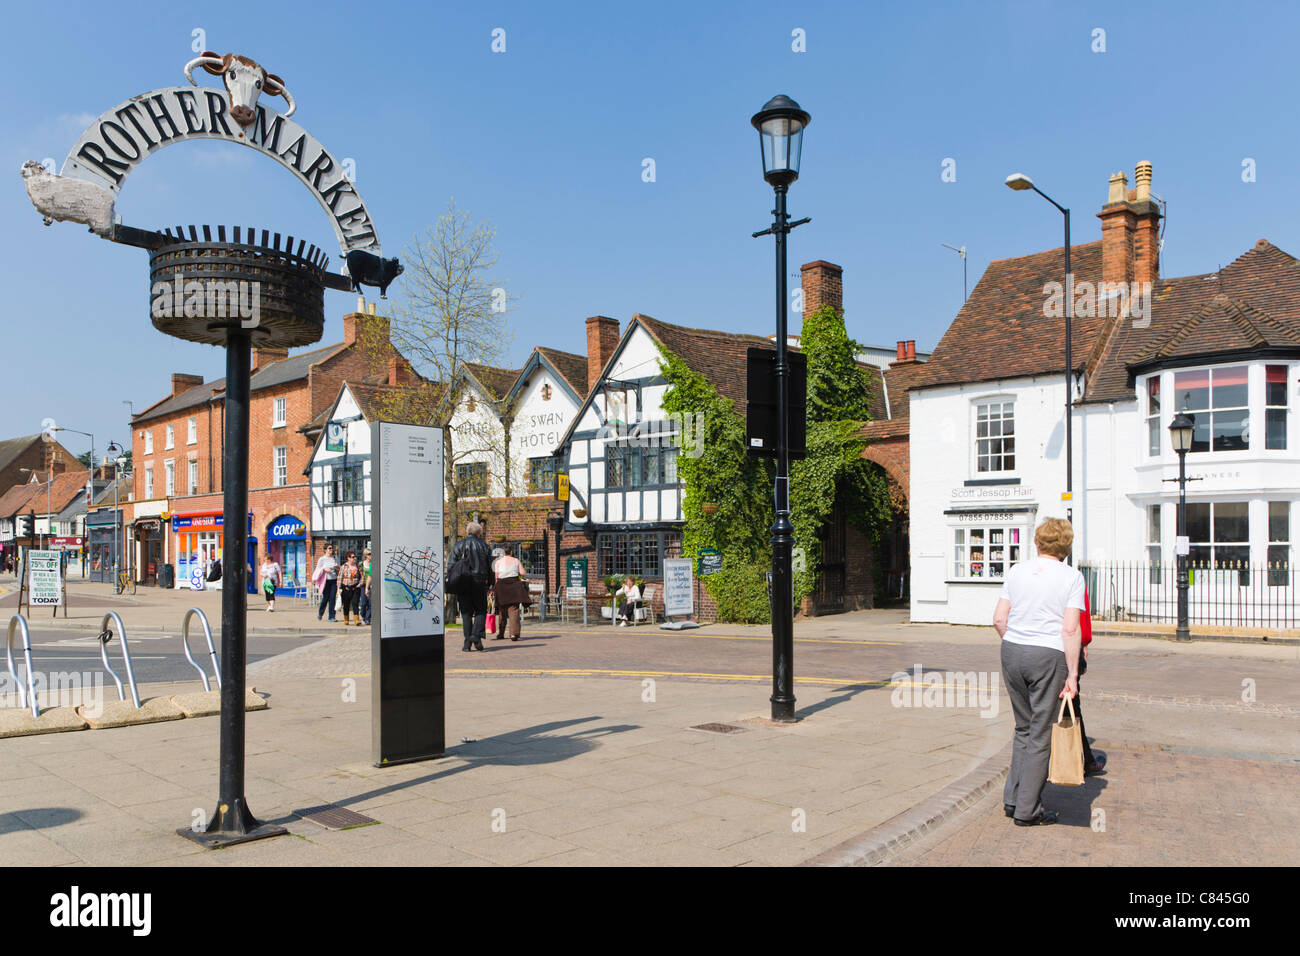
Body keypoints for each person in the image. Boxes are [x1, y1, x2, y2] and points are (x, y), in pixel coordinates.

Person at [992, 517, 1083, 827]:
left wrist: (1017, 644)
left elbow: (999, 619)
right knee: (1041, 733)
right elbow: (1070, 628)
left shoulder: (1017, 571)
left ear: (1037, 542)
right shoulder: (1072, 577)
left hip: (1012, 649)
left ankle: (1013, 797)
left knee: (1023, 727)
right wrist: (1072, 674)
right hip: (1048, 654)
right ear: (1066, 546)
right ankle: (1028, 810)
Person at [449, 522, 492, 652]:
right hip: (479, 581)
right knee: (481, 610)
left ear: (467, 532)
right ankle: (476, 635)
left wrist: (453, 580)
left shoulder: (458, 545)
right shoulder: (484, 546)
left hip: (463, 582)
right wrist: (490, 584)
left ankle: (467, 644)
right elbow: (490, 567)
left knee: (466, 612)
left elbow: (451, 564)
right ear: (479, 533)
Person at [492, 544, 529, 642]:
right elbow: (523, 573)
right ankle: (513, 634)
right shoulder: (516, 561)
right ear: (511, 552)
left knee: (501, 611)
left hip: (501, 587)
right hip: (513, 586)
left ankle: (501, 633)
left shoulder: (498, 562)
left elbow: (496, 577)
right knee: (514, 610)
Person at [313, 544, 340, 622]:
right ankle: (320, 613)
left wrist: (337, 566)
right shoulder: (322, 559)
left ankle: (331, 616)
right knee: (326, 598)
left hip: (334, 580)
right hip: (325, 581)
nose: (331, 550)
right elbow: (318, 569)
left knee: (332, 598)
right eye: (329, 548)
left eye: (332, 548)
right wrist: (325, 570)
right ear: (325, 550)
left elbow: (339, 569)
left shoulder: (335, 558)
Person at [339, 551, 362, 626]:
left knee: (355, 603)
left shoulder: (358, 566)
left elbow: (362, 577)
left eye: (355, 557)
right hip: (346, 587)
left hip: (355, 587)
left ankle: (356, 620)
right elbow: (339, 578)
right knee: (346, 604)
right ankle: (346, 619)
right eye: (352, 557)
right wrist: (338, 589)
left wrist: (360, 584)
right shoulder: (343, 567)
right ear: (348, 558)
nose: (354, 558)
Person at [360, 547, 373, 626]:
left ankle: (367, 618)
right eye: (369, 554)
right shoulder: (361, 564)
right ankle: (363, 615)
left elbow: (370, 576)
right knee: (363, 603)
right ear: (365, 555)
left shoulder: (373, 563)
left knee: (370, 603)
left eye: (371, 554)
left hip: (371, 584)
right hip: (363, 584)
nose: (370, 555)